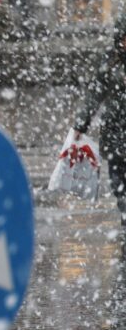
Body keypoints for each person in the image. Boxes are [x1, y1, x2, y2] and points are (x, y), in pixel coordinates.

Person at [74, 13, 126, 227]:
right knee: (118, 179)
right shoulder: (110, 62)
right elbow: (94, 95)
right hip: (115, 129)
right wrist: (80, 124)